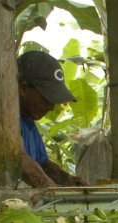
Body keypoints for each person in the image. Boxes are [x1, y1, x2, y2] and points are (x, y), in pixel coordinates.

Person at [18, 51, 89, 188]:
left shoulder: (29, 123)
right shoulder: (9, 122)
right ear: (23, 88)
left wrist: (67, 179)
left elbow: (44, 164)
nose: (51, 107)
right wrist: (54, 190)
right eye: (46, 99)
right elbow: (20, 160)